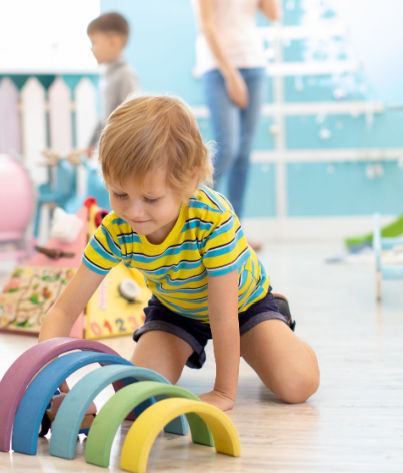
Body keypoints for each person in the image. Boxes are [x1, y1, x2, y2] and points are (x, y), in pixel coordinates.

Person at [39, 96, 319, 411]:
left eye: (150, 197)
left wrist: (224, 392)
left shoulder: (211, 219)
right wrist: (48, 380)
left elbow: (223, 314)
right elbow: (64, 311)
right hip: (176, 309)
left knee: (297, 384)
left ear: (187, 181)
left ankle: (278, 321)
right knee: (136, 398)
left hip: (240, 306)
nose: (134, 211)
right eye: (120, 193)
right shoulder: (116, 229)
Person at [193, 0, 280, 251]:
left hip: (254, 63)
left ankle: (234, 231)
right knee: (227, 147)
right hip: (217, 67)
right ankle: (195, 223)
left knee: (243, 153)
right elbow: (206, 27)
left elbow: (273, 13)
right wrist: (231, 74)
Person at [86, 12, 141, 156]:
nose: (92, 49)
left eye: (94, 43)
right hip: (112, 149)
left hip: (123, 151)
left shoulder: (125, 75)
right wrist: (91, 143)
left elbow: (134, 115)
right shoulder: (107, 75)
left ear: (113, 42)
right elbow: (105, 115)